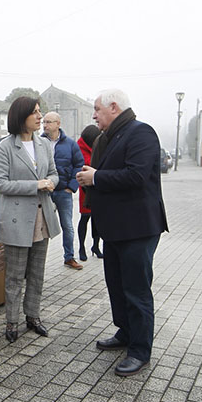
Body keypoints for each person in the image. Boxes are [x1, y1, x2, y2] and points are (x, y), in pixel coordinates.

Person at [76, 89, 168, 376]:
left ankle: (140, 350)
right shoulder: (113, 135)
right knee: (117, 286)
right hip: (115, 229)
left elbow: (137, 175)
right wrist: (95, 174)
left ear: (113, 107)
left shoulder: (141, 133)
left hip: (137, 229)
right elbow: (117, 171)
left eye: (97, 109)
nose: (93, 115)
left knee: (136, 291)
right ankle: (125, 333)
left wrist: (96, 177)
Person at [0, 96, 61, 343]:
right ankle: (12, 322)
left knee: (37, 273)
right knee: (15, 275)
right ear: (21, 117)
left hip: (42, 217)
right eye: (34, 112)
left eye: (40, 111)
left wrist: (51, 182)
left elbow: (54, 174)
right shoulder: (5, 147)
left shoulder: (43, 144)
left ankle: (33, 316)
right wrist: (36, 185)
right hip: (17, 220)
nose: (39, 116)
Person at [42, 112, 84, 270]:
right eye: (44, 122)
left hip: (63, 192)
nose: (45, 125)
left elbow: (78, 164)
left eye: (49, 122)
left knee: (67, 225)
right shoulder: (38, 142)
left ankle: (69, 257)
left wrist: (71, 187)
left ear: (58, 123)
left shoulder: (71, 144)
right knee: (39, 226)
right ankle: (36, 263)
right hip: (44, 191)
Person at [76, 124, 102, 261]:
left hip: (97, 185)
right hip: (85, 187)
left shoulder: (97, 146)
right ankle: (81, 247)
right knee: (85, 217)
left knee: (97, 219)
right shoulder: (79, 148)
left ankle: (96, 246)